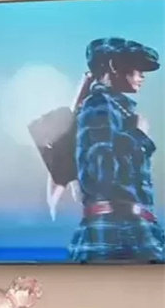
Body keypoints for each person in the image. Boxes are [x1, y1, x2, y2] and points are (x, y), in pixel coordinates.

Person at [68, 37, 163, 263]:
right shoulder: (100, 105)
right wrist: (138, 135)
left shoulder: (113, 107)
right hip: (118, 234)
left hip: (129, 230)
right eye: (137, 66)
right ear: (113, 66)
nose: (142, 75)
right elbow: (100, 175)